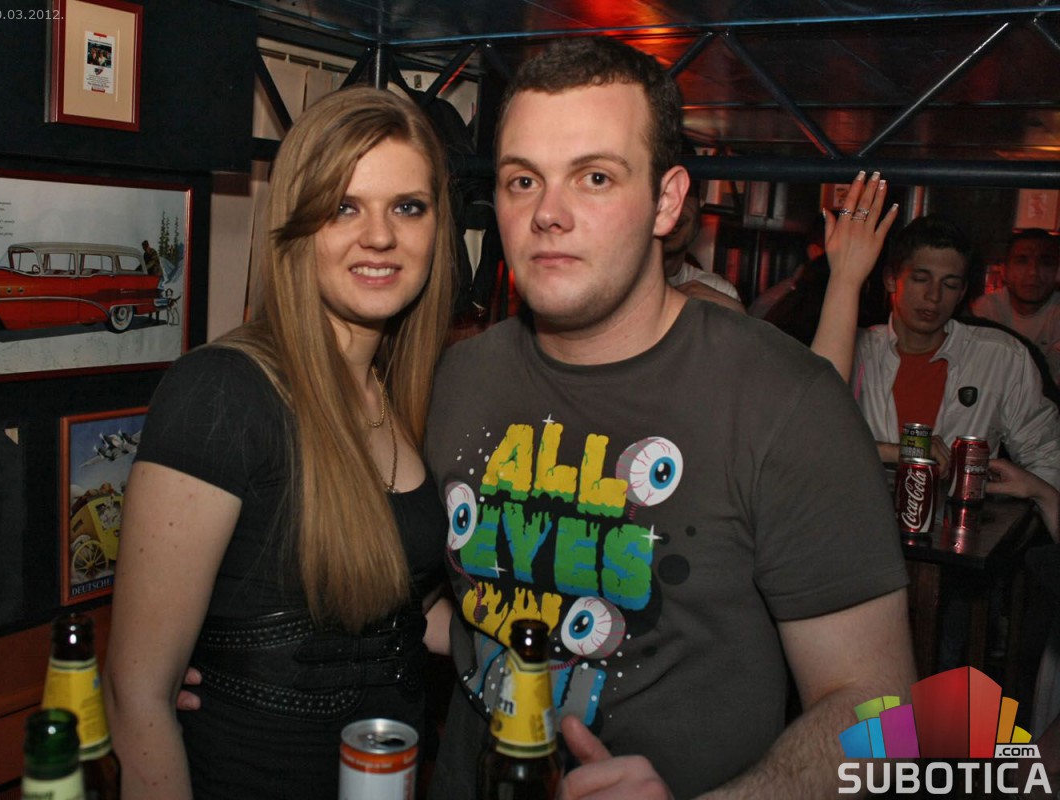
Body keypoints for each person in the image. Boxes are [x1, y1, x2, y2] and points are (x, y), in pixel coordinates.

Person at [424, 37, 914, 800]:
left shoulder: (784, 402)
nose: (548, 214)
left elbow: (886, 717)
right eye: (523, 180)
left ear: (667, 200)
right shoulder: (459, 377)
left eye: (594, 177)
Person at [104, 86, 456, 799]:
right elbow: (137, 695)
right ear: (296, 227)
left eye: (407, 207)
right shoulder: (222, 394)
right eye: (344, 207)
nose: (380, 237)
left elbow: (404, 612)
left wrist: (551, 638)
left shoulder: (401, 395)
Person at [843, 215, 1060, 487]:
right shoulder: (854, 351)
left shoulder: (1000, 357)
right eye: (920, 279)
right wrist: (895, 452)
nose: (934, 296)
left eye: (950, 284)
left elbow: (1047, 458)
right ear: (890, 279)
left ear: (962, 292)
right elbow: (814, 444)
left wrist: (1027, 499)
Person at [971, 229, 1060, 383]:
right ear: (1004, 271)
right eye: (1022, 261)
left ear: (1057, 272)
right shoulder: (988, 308)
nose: (1033, 272)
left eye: (1045, 263)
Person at [662, 177, 743, 310]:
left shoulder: (716, 291)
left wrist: (737, 318)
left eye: (686, 191)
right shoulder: (624, 286)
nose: (674, 208)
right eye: (661, 193)